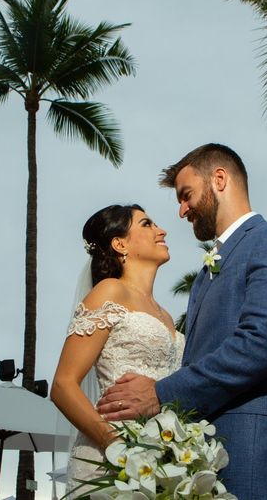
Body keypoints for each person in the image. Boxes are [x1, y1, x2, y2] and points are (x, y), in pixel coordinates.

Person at [96, 143, 267, 499]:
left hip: (256, 457)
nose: (182, 210)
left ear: (219, 179)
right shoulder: (204, 275)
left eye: (186, 195)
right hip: (206, 463)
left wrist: (159, 393)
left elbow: (264, 344)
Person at [50, 203, 183, 498]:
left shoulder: (167, 316)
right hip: (109, 464)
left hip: (162, 459)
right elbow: (62, 385)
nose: (161, 231)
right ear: (120, 243)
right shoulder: (109, 291)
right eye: (147, 224)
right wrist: (118, 448)